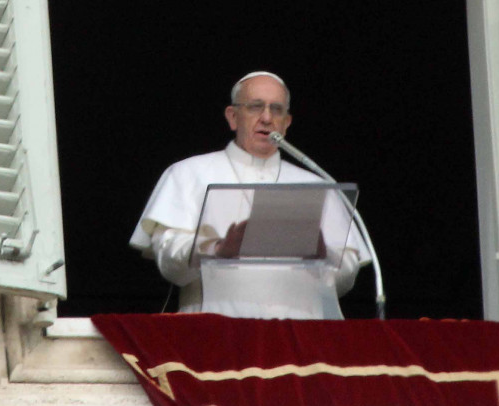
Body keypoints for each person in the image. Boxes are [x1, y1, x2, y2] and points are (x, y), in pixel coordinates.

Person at [129, 71, 370, 319]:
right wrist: (217, 248)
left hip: (302, 338)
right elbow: (170, 265)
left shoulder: (318, 185)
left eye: (276, 110)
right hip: (214, 332)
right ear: (233, 117)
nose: (266, 118)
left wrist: (323, 256)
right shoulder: (187, 174)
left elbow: (346, 280)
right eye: (256, 107)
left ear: (286, 123)